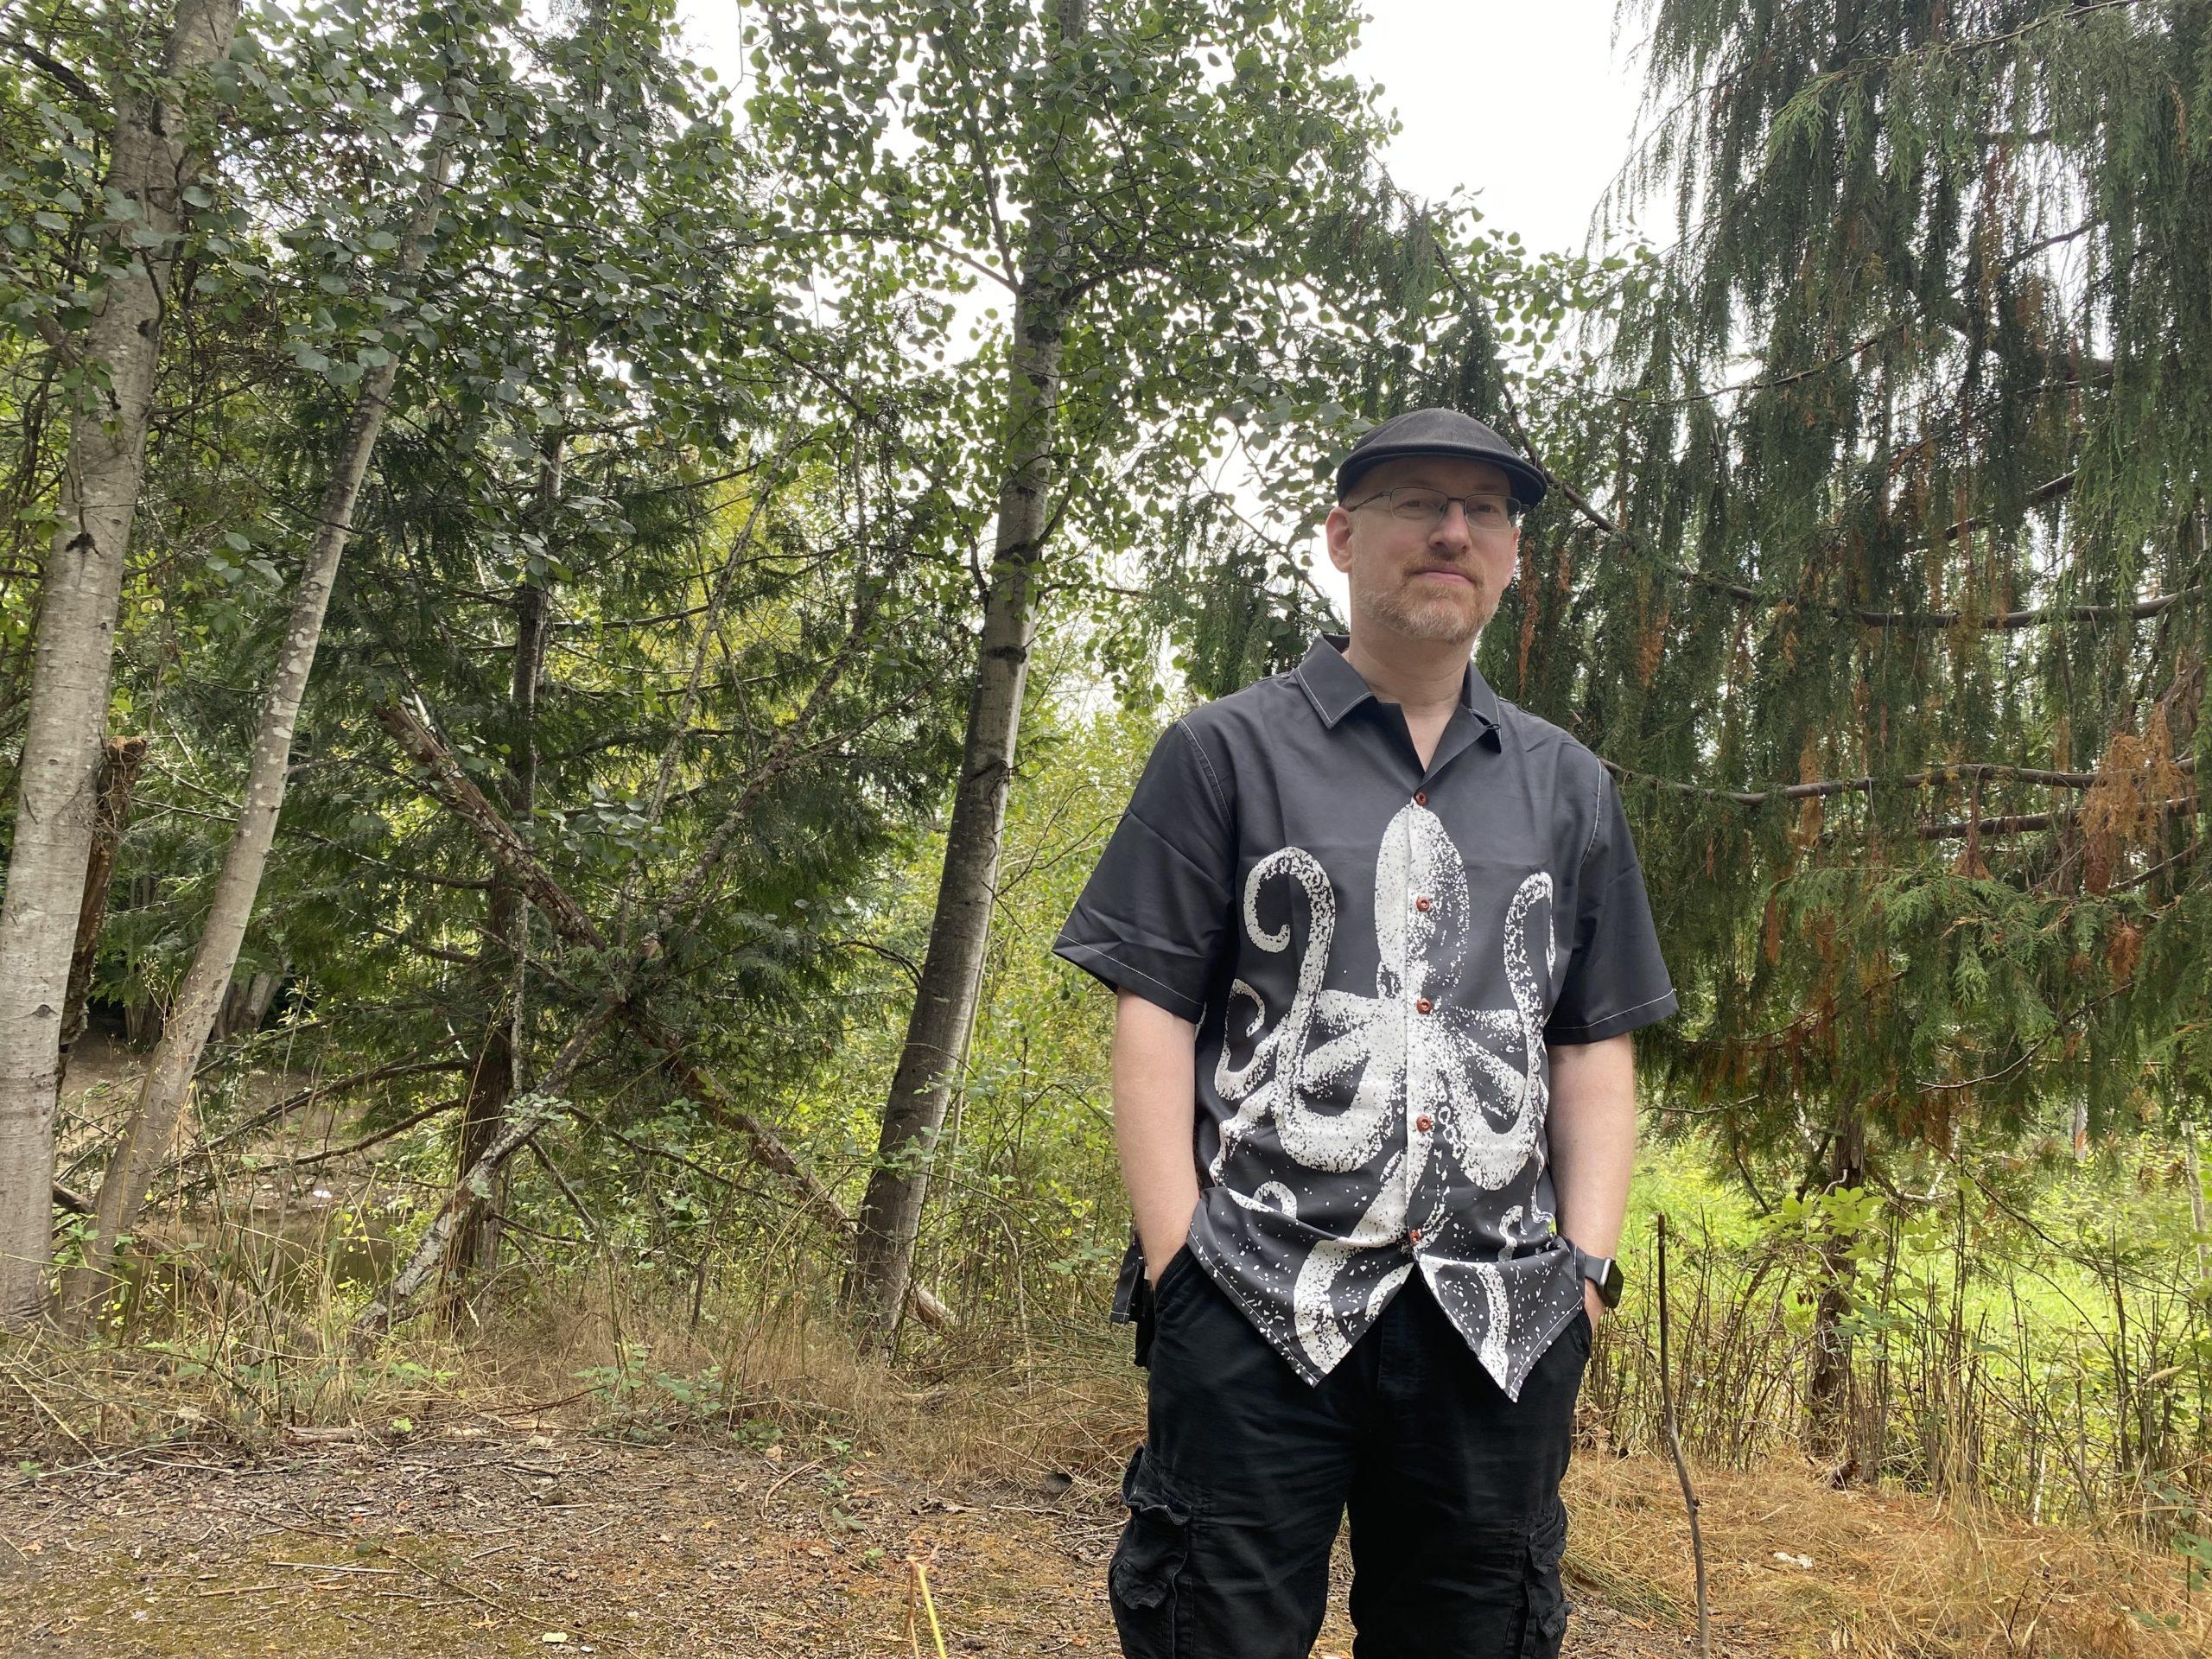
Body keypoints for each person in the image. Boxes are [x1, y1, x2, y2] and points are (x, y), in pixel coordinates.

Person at [1052, 406, 1678, 1657]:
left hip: (1499, 1323)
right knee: (1209, 1632)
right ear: (1343, 537)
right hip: (1253, 1293)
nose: (1453, 530)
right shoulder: (1222, 752)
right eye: (1416, 503)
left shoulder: (1570, 786)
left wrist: (1590, 1277)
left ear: (1513, 558)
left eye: (1485, 512)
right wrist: (1181, 1269)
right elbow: (1154, 1012)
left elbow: (1592, 1040)